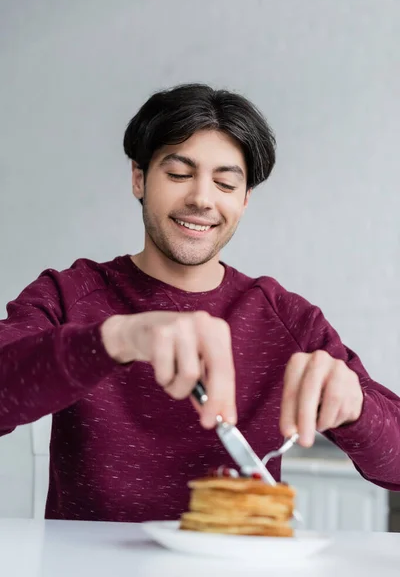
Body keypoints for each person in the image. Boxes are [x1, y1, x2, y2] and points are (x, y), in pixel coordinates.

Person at [0, 84, 399, 523]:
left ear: (244, 200)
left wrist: (357, 408)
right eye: (178, 175)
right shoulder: (69, 295)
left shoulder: (288, 320)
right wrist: (116, 338)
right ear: (139, 177)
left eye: (226, 183)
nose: (202, 199)